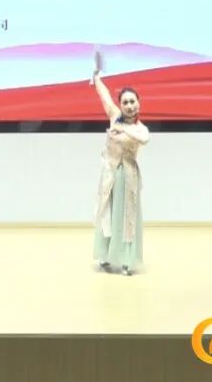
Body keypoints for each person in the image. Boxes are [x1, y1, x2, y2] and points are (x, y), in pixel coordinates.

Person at [90, 66, 150, 276]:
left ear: (138, 103)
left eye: (132, 101)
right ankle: (105, 255)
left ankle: (126, 260)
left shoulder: (140, 128)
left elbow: (144, 139)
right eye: (125, 102)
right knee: (107, 211)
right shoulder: (114, 115)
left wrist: (123, 128)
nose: (129, 106)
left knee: (126, 216)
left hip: (128, 175)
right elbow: (105, 96)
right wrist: (96, 77)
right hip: (110, 172)